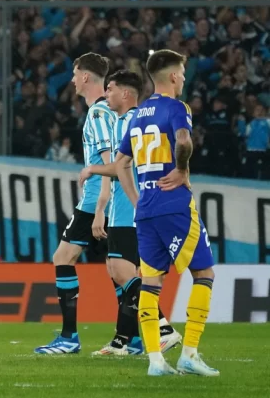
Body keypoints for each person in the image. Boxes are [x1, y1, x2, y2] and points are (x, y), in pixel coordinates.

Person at [114, 49, 218, 376]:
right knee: (204, 273)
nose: (183, 79)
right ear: (173, 76)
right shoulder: (177, 108)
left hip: (145, 208)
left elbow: (121, 163)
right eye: (182, 74)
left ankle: (155, 361)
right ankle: (189, 354)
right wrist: (182, 169)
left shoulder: (137, 115)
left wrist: (136, 200)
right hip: (174, 204)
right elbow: (183, 141)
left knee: (151, 282)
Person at [78, 70, 182, 356]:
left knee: (124, 273)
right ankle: (123, 340)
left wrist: (92, 169)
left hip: (129, 208)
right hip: (128, 207)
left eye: (110, 89)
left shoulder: (127, 122)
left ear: (125, 93)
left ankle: (163, 328)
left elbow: (121, 166)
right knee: (117, 271)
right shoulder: (137, 120)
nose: (106, 94)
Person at [35, 53, 116, 355]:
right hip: (111, 200)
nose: (71, 79)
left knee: (63, 257)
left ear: (85, 77)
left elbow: (110, 162)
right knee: (118, 267)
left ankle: (69, 337)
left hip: (96, 201)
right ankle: (133, 336)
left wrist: (100, 206)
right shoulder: (110, 110)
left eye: (74, 73)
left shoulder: (98, 113)